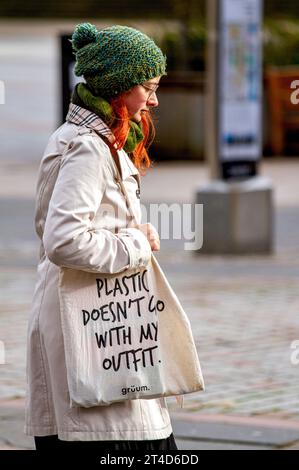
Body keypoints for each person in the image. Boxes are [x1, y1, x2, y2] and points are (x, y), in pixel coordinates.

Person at [24, 22, 178, 451]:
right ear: (118, 85)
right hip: (93, 328)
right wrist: (136, 244)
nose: (154, 99)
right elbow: (64, 240)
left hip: (102, 324)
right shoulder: (90, 148)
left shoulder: (90, 138)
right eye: (147, 87)